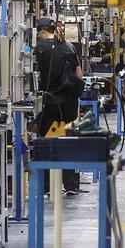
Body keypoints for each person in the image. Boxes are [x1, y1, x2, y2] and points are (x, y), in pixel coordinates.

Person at [34, 17, 85, 194]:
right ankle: (70, 184)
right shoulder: (69, 46)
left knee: (48, 143)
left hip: (50, 103)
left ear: (41, 31)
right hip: (69, 103)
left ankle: (47, 186)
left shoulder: (40, 48)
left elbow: (36, 75)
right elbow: (79, 74)